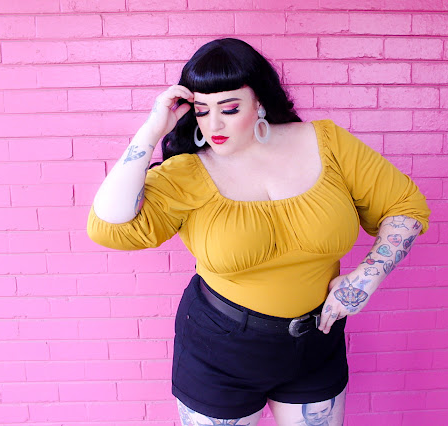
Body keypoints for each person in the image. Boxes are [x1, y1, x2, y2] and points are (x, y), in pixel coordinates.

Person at [87, 38, 430, 426]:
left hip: (316, 341)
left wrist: (365, 279)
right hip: (219, 351)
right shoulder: (187, 172)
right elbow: (108, 225)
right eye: (202, 111)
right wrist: (151, 131)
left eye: (229, 108)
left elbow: (404, 205)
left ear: (260, 102)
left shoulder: (328, 144)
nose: (214, 125)